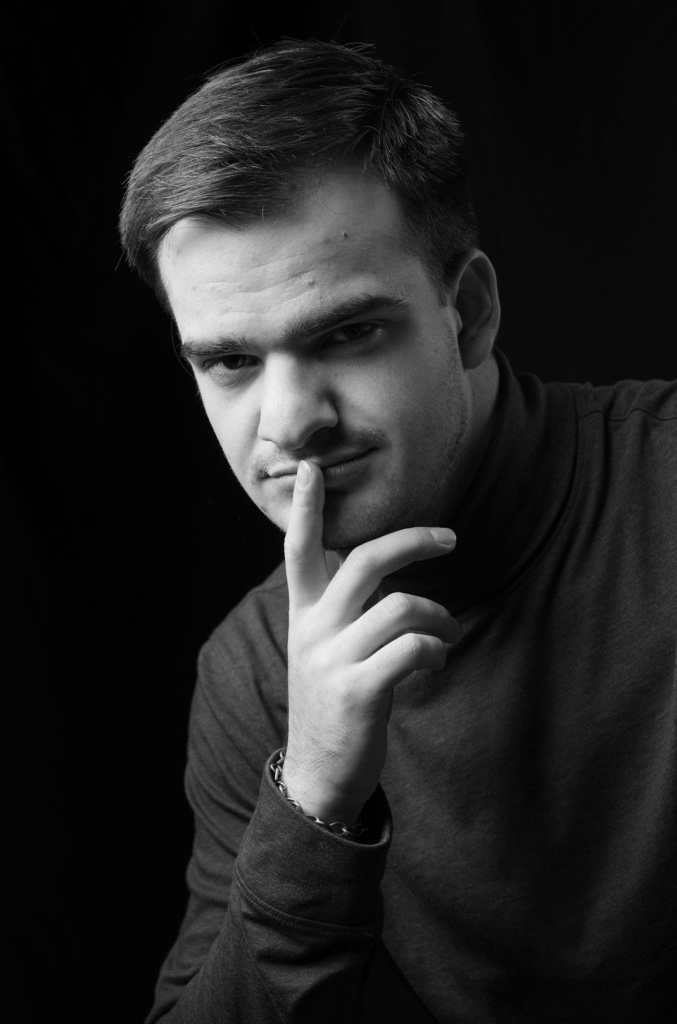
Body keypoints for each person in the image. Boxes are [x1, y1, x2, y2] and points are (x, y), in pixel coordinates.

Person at [119, 38, 677, 1024]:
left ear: (466, 314)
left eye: (344, 334)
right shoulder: (254, 671)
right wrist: (315, 800)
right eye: (231, 362)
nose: (288, 423)